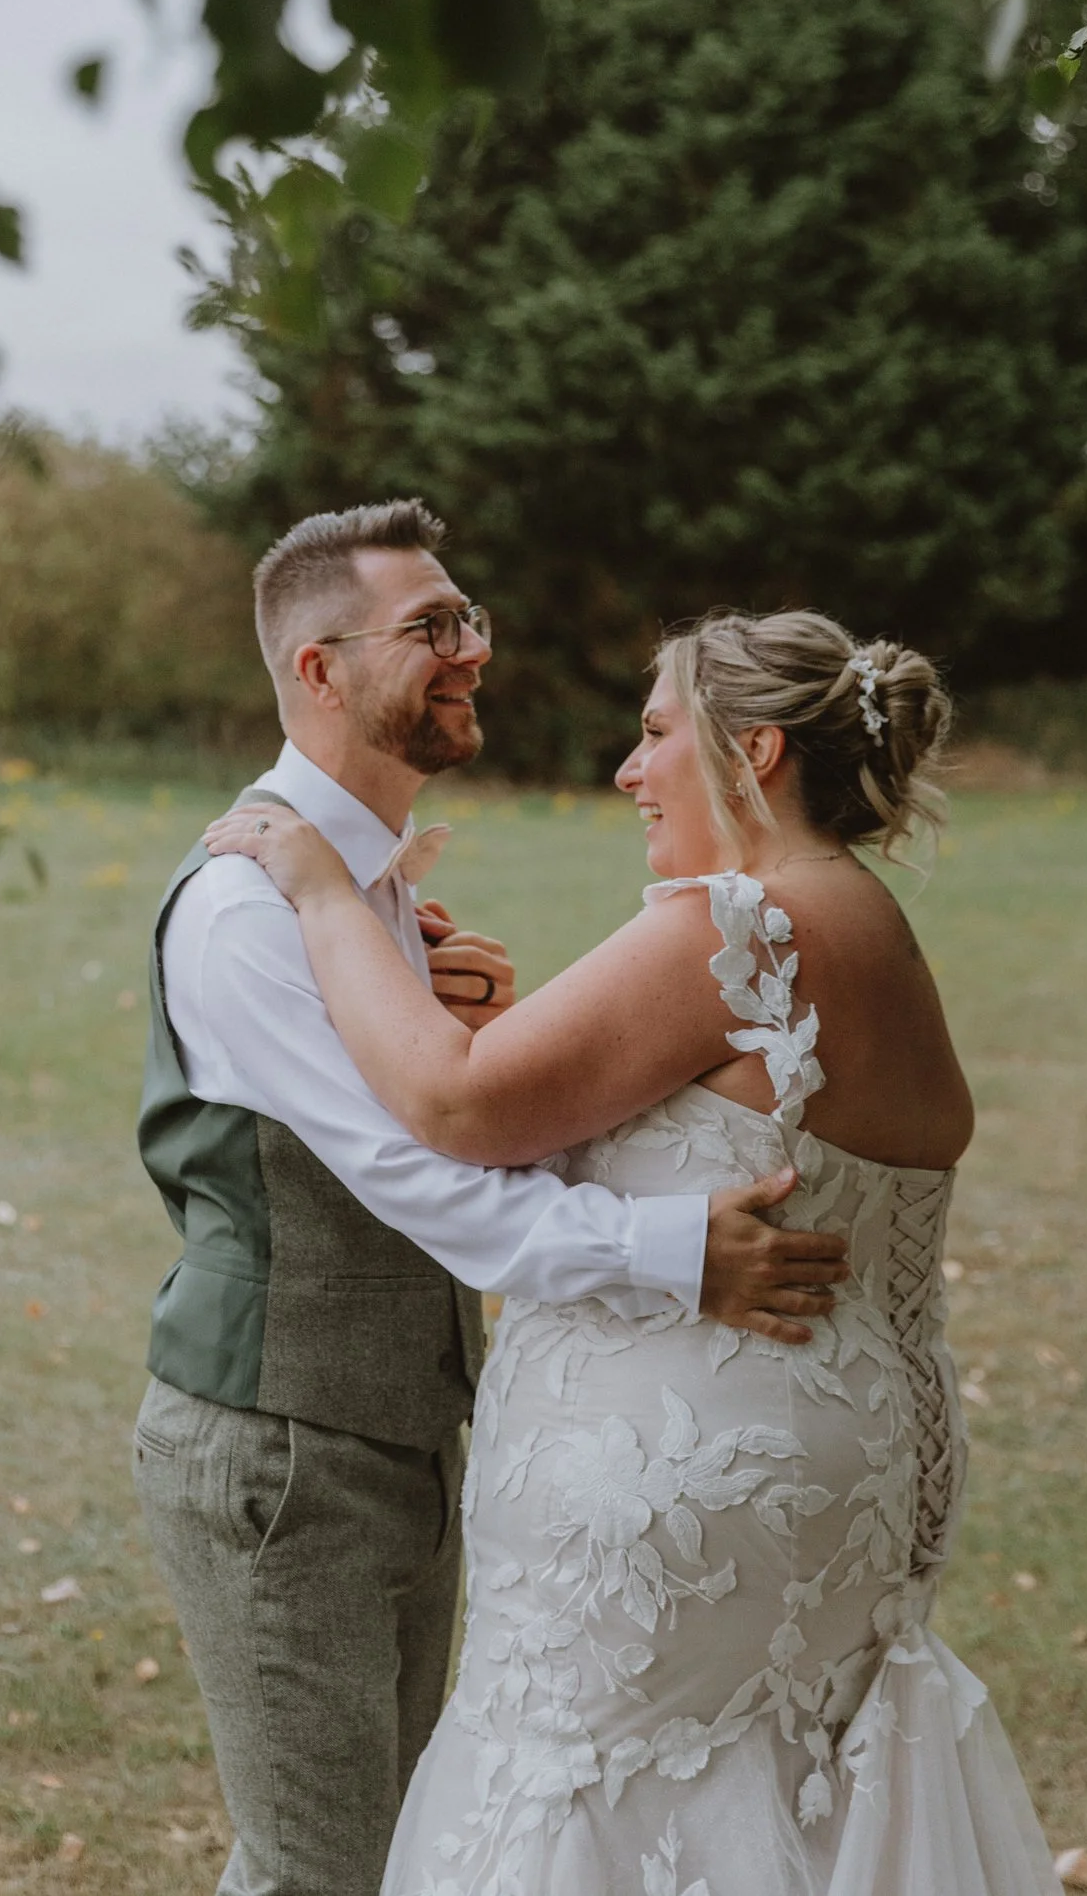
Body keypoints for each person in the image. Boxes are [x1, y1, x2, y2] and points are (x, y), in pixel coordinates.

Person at [207, 606, 1062, 1896]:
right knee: (775, 1797)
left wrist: (326, 890)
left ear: (754, 752)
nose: (627, 769)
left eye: (655, 731)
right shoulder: (873, 928)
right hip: (865, 1474)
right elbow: (665, 1112)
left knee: (594, 1809)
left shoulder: (741, 925)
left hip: (677, 1497)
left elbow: (459, 1104)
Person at [134, 504, 850, 1896]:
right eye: (431, 629)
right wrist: (675, 1251)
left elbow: (458, 1110)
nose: (472, 651)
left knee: (390, 1853)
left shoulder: (367, 890)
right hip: (281, 1450)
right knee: (313, 1869)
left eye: (470, 619)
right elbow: (419, 1182)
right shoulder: (248, 907)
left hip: (397, 1433)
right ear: (319, 671)